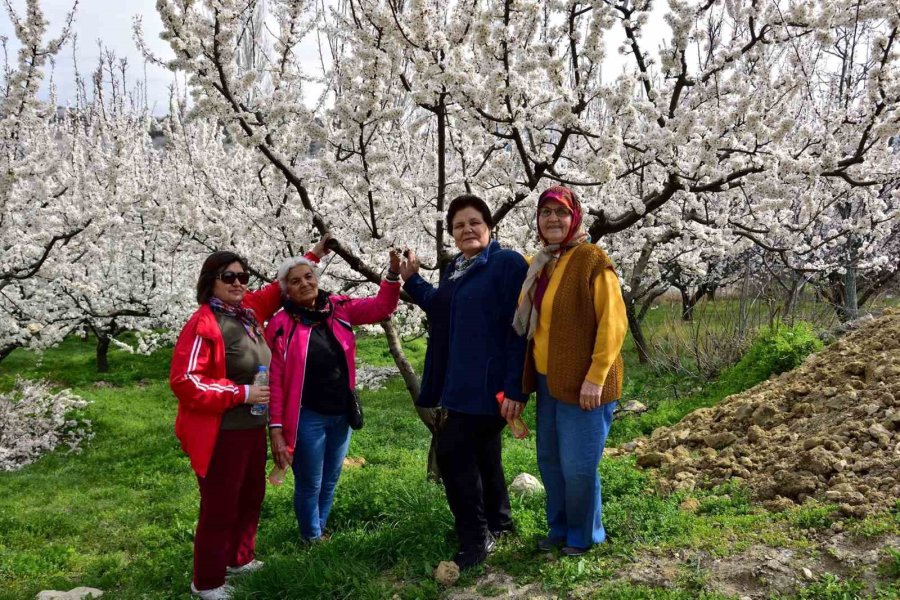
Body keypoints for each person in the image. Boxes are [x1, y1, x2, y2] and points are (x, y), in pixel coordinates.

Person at [170, 241, 326, 600]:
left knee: (250, 496)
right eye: (230, 277)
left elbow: (276, 289)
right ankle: (206, 582)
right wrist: (240, 393)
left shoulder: (248, 312)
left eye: (244, 276)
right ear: (211, 281)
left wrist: (314, 256)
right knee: (220, 505)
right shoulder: (204, 323)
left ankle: (239, 559)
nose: (239, 282)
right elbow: (184, 380)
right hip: (221, 432)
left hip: (252, 428)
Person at [399, 194, 529, 569]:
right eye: (458, 225)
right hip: (458, 384)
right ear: (452, 234)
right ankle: (500, 523)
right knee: (485, 453)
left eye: (474, 222)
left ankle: (475, 538)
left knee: (453, 452)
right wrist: (412, 279)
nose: (467, 229)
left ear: (489, 226)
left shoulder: (506, 264)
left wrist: (516, 388)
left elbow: (519, 329)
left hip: (491, 386)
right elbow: (442, 307)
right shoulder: (456, 268)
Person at [510, 185, 627, 557]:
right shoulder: (542, 263)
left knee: (578, 466)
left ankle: (584, 535)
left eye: (560, 212)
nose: (553, 219)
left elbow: (613, 322)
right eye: (545, 213)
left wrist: (595, 377)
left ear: (574, 216)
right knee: (551, 461)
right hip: (548, 382)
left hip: (584, 384)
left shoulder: (591, 259)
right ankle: (559, 529)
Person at [267, 249, 401, 543]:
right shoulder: (280, 326)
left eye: (308, 276)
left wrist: (392, 275)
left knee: (330, 479)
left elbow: (381, 307)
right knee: (310, 482)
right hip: (307, 416)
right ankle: (311, 539)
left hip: (341, 412)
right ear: (286, 290)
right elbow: (275, 380)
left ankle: (318, 529)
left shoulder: (337, 308)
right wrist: (276, 426)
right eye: (295, 281)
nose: (304, 283)